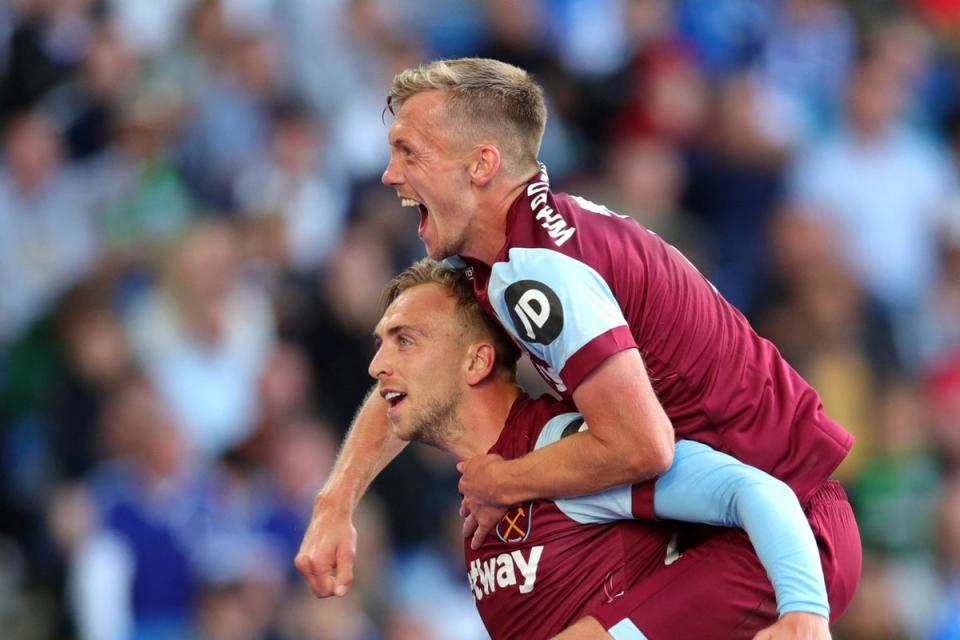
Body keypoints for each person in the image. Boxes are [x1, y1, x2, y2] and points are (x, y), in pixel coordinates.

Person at [295, 58, 861, 637]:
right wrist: (335, 501)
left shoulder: (536, 273)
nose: (390, 174)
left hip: (781, 531)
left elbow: (644, 446)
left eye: (409, 152)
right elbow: (414, 377)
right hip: (730, 520)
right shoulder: (513, 253)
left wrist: (504, 481)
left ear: (481, 165)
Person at [368, 258, 851, 639]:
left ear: (476, 362)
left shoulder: (567, 445)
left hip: (806, 539)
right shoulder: (483, 493)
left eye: (404, 341)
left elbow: (753, 490)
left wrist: (804, 609)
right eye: (381, 343)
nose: (377, 365)